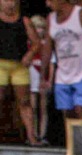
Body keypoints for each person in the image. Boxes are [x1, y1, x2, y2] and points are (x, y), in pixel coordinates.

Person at [41, 0, 82, 122]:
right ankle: (72, 140)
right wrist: (42, 75)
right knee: (67, 113)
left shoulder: (81, 15)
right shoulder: (51, 19)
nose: (48, 4)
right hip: (63, 74)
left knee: (80, 109)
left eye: (50, 1)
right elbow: (47, 48)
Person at [0, 0, 39, 145]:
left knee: (25, 101)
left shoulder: (24, 20)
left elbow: (36, 43)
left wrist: (30, 54)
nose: (10, 4)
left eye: (13, 1)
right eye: (6, 1)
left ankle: (31, 136)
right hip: (1, 64)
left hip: (19, 66)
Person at [27, 14, 49, 145]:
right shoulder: (28, 44)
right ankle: (32, 134)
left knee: (43, 107)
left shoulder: (47, 43)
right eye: (36, 28)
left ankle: (42, 134)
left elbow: (51, 63)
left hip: (43, 77)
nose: (39, 30)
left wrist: (49, 79)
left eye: (41, 28)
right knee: (32, 107)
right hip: (31, 75)